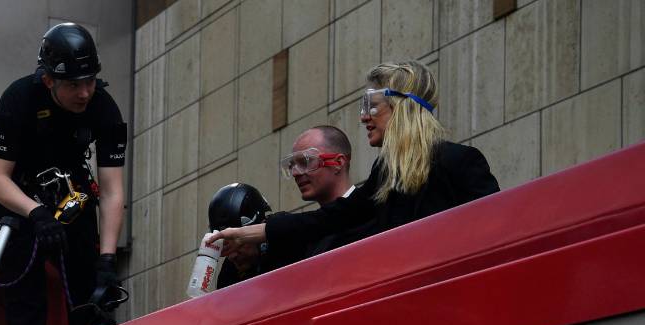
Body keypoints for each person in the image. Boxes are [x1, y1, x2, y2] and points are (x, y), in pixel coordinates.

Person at [210, 61, 499, 257]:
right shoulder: (385, 176)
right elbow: (334, 218)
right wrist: (250, 234)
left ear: (401, 108)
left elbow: (496, 234)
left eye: (371, 107)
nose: (363, 117)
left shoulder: (461, 162)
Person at [0, 22, 128, 325]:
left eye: (90, 81)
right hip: (16, 202)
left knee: (93, 295)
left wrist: (107, 258)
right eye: (74, 85)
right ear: (49, 80)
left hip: (69, 194)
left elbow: (112, 191)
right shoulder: (18, 99)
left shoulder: (104, 108)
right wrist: (35, 212)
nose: (85, 93)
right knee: (27, 309)